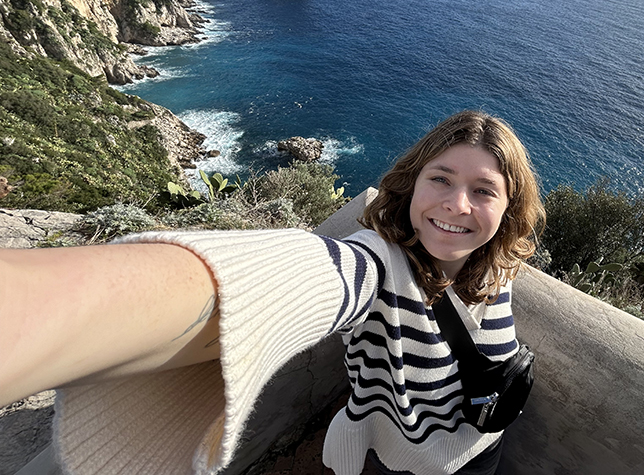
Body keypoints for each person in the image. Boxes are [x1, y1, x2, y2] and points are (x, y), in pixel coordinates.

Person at [0, 110, 545, 475]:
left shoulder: (497, 266)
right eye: (441, 179)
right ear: (412, 184)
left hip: (480, 448)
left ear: (508, 207)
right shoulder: (380, 262)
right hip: (403, 460)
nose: (457, 205)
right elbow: (307, 275)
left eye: (483, 190)